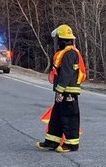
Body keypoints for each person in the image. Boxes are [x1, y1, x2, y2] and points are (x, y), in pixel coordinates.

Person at [36, 24, 86, 153]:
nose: (56, 42)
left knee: (69, 117)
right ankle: (52, 141)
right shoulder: (67, 52)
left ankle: (71, 144)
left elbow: (66, 73)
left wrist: (60, 91)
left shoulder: (69, 53)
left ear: (61, 39)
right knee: (57, 117)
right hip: (64, 90)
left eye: (57, 39)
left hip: (68, 91)